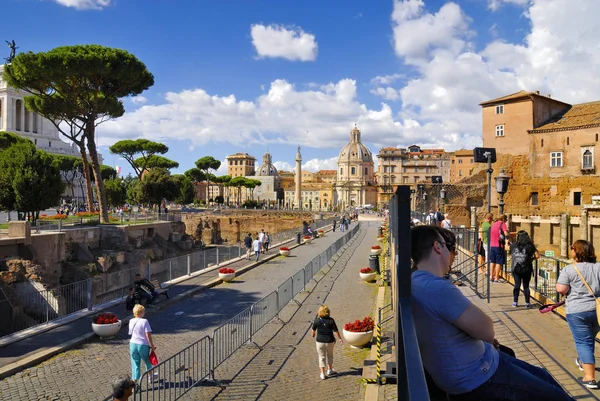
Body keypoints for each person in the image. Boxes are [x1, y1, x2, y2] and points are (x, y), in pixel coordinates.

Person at [410, 225, 574, 400]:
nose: (453, 253)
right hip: (479, 376)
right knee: (556, 396)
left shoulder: (417, 281)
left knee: (544, 376)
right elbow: (487, 329)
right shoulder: (436, 287)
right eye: (448, 247)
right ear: (437, 247)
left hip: (483, 362)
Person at [557, 240, 600, 389]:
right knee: (589, 339)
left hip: (577, 311)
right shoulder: (598, 267)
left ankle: (589, 377)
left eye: (572, 248)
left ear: (576, 251)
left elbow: (561, 289)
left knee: (583, 342)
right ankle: (583, 362)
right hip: (597, 310)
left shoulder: (569, 269)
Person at [311, 304, 343, 380]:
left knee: (321, 357)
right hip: (330, 341)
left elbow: (313, 333)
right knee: (330, 355)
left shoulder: (317, 320)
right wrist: (340, 338)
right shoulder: (331, 320)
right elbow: (336, 331)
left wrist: (314, 334)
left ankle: (322, 374)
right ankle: (330, 370)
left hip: (320, 342)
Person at [129, 305, 156, 386]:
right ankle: (150, 377)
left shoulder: (131, 321)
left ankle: (135, 381)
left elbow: (130, 333)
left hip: (133, 344)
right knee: (147, 361)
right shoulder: (144, 321)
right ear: (141, 312)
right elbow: (148, 335)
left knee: (135, 363)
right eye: (143, 311)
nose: (144, 312)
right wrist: (152, 346)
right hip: (142, 345)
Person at [510, 231, 539, 307]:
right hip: (527, 268)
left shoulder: (514, 245)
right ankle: (527, 303)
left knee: (517, 285)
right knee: (526, 286)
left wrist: (507, 242)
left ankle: (515, 302)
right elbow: (537, 256)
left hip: (516, 268)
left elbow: (507, 248)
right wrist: (531, 259)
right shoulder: (530, 246)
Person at [489, 214, 510, 282]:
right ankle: (496, 278)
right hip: (499, 245)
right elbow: (506, 233)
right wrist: (507, 240)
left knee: (492, 262)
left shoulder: (494, 224)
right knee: (498, 262)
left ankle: (491, 276)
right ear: (503, 219)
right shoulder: (502, 224)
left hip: (492, 245)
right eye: (506, 220)